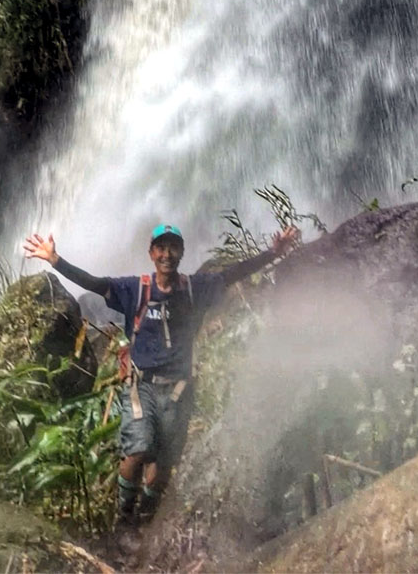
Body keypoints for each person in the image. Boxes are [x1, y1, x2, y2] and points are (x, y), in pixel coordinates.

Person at [22, 222, 299, 525]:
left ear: (181, 252)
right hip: (143, 387)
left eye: (173, 248)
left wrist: (274, 252)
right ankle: (124, 519)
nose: (167, 254)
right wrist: (55, 260)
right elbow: (95, 283)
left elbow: (234, 274)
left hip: (180, 389)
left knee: (163, 466)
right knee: (138, 451)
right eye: (161, 248)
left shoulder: (195, 288)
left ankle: (145, 519)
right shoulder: (134, 289)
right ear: (152, 253)